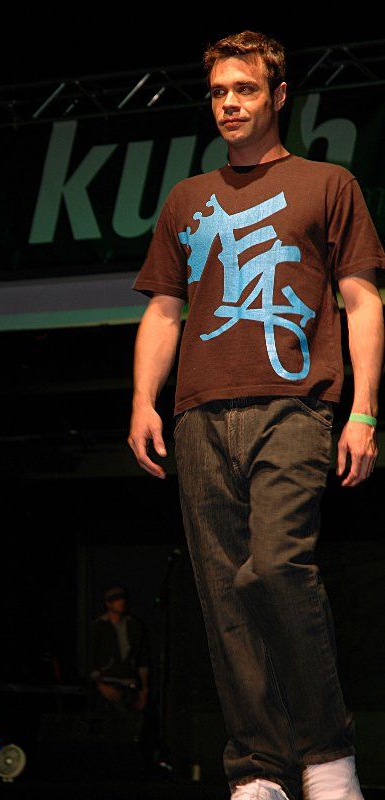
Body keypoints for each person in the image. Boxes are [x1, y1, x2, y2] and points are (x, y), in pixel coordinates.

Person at [127, 30, 385, 800]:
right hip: (200, 414)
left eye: (244, 89)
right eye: (217, 92)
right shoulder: (186, 200)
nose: (229, 103)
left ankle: (327, 754)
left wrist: (365, 412)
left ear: (278, 96)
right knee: (224, 593)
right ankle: (259, 769)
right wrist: (143, 400)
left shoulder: (327, 183)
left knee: (276, 568)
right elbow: (165, 311)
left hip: (296, 406)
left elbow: (363, 300)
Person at [90, 586, 150, 714]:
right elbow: (92, 657)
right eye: (116, 599)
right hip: (108, 683)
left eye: (122, 599)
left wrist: (144, 689)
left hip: (130, 684)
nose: (121, 602)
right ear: (108, 603)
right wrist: (101, 686)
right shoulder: (99, 627)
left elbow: (142, 658)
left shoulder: (134, 625)